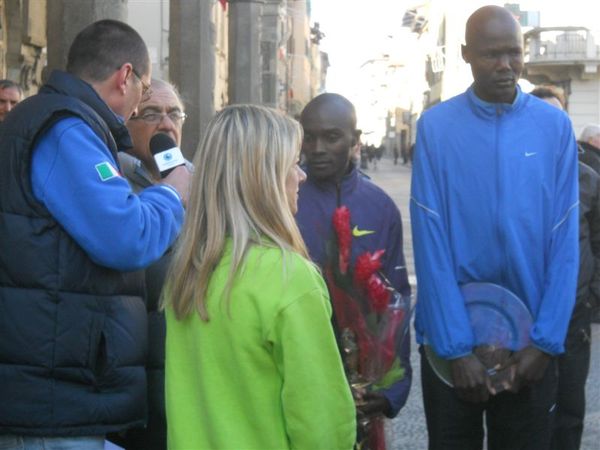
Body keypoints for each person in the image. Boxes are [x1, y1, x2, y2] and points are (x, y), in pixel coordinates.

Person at [0, 20, 190, 449]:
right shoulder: (66, 129)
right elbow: (127, 235)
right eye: (146, 96)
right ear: (125, 77)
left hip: (58, 389)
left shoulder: (62, 123)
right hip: (52, 401)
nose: (144, 110)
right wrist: (174, 194)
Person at [410, 6, 579, 450]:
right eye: (491, 54)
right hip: (454, 347)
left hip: (530, 350)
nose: (505, 65)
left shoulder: (554, 127)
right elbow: (431, 241)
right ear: (466, 54)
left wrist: (544, 343)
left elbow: (565, 243)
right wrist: (454, 348)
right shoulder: (436, 128)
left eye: (513, 53)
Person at [163, 104, 356, 450]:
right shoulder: (289, 278)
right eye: (290, 164)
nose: (302, 175)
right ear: (263, 177)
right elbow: (322, 424)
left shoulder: (188, 270)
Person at [296, 93, 412, 449]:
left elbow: (397, 298)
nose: (316, 148)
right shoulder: (284, 200)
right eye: (308, 137)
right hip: (300, 372)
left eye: (331, 137)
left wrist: (392, 386)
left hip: (363, 379)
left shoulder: (379, 207)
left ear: (355, 140)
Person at [107, 79, 189, 450]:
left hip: (189, 379)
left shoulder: (202, 184)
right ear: (127, 122)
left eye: (174, 114)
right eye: (151, 113)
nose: (166, 125)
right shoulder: (110, 185)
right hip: (127, 385)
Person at [530, 85, 600, 450]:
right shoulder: (517, 174)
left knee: (570, 409)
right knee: (528, 411)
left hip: (574, 319)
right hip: (528, 314)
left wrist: (591, 295)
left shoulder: (588, 178)